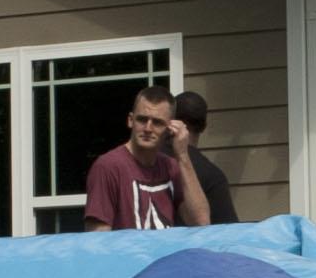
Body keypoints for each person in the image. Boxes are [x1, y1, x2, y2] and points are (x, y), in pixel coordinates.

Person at [83, 84, 212, 229]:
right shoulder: (108, 166)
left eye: (157, 122)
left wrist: (182, 155)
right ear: (130, 120)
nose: (148, 128)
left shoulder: (171, 167)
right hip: (125, 252)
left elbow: (201, 222)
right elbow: (98, 237)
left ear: (170, 128)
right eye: (142, 120)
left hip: (166, 252)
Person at [171, 92, 242, 225]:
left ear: (170, 121)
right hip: (189, 245)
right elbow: (228, 232)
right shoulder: (213, 176)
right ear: (204, 126)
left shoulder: (147, 160)